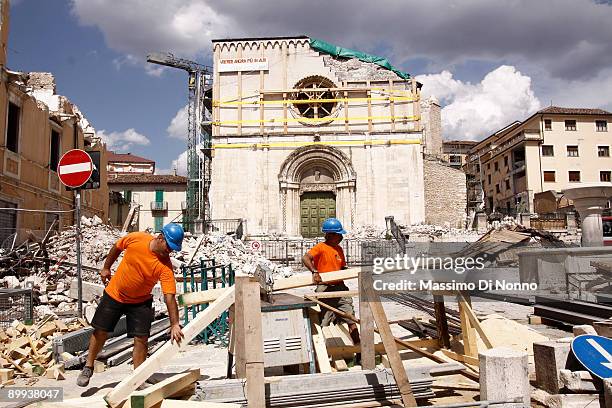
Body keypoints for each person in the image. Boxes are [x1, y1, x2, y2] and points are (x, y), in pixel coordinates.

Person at [77, 223, 186, 387]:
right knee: (100, 332)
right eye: (169, 247)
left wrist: (175, 324)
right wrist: (106, 267)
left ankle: (138, 377)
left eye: (173, 249)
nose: (169, 251)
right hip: (115, 294)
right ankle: (88, 366)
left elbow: (169, 297)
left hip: (140, 301)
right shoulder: (138, 239)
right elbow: (117, 246)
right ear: (161, 237)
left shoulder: (165, 267)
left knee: (141, 338)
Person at [302, 218, 361, 355]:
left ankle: (359, 351)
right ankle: (320, 355)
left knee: (351, 318)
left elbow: (340, 266)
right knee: (323, 322)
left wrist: (347, 270)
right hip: (324, 288)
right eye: (338, 234)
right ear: (329, 235)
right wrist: (314, 271)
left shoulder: (339, 249)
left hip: (340, 288)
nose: (341, 237)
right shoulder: (321, 248)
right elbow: (305, 258)